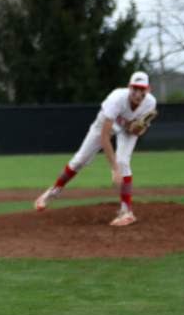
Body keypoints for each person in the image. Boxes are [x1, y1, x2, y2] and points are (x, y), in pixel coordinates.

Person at [34, 71, 158, 226]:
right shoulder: (117, 99)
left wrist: (139, 129)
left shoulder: (150, 103)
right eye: (135, 88)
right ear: (129, 87)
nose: (138, 93)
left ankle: (126, 212)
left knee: (123, 162)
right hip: (104, 124)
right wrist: (114, 169)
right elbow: (104, 135)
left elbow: (140, 130)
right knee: (80, 160)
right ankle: (54, 191)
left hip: (126, 130)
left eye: (142, 89)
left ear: (148, 90)